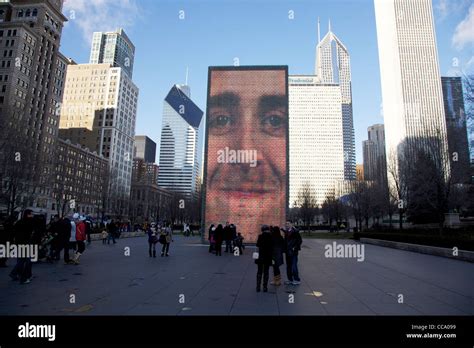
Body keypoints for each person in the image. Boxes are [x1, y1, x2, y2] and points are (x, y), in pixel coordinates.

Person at [9, 210, 36, 284]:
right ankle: (24, 278)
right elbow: (30, 233)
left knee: (21, 260)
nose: (32, 215)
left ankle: (14, 274)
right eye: (31, 214)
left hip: (19, 242)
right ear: (28, 215)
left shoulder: (19, 222)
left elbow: (13, 232)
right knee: (28, 261)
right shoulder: (29, 223)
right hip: (26, 243)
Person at [256, 225, 273, 292]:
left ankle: (258, 287)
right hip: (268, 257)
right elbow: (272, 246)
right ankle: (265, 287)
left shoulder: (260, 236)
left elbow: (257, 245)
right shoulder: (271, 236)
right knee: (266, 272)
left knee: (259, 272)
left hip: (261, 256)